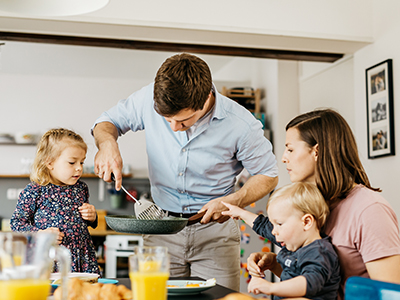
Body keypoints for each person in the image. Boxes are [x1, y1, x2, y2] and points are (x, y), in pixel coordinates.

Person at [91, 53, 279, 289]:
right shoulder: (148, 98)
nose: (174, 128)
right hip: (160, 229)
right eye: (166, 119)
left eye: (183, 121)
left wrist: (234, 200)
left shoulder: (241, 124)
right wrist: (108, 145)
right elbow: (106, 122)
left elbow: (268, 174)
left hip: (214, 233)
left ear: (207, 98)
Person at [247, 109, 400, 300]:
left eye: (291, 149)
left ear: (316, 151)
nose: (284, 157)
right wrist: (275, 264)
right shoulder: (315, 205)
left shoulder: (369, 210)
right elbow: (317, 282)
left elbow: (389, 294)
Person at [222, 182, 340, 300]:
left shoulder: (319, 252)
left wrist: (270, 287)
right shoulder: (293, 241)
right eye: (273, 225)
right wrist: (240, 213)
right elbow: (263, 226)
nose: (274, 231)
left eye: (279, 224)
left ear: (306, 222)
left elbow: (309, 283)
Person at [10, 128, 100, 275]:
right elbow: (16, 224)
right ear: (50, 163)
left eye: (82, 162)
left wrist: (92, 217)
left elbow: (83, 222)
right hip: (50, 259)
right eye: (72, 162)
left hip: (82, 260)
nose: (79, 168)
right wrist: (40, 234)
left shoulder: (81, 188)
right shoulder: (35, 190)